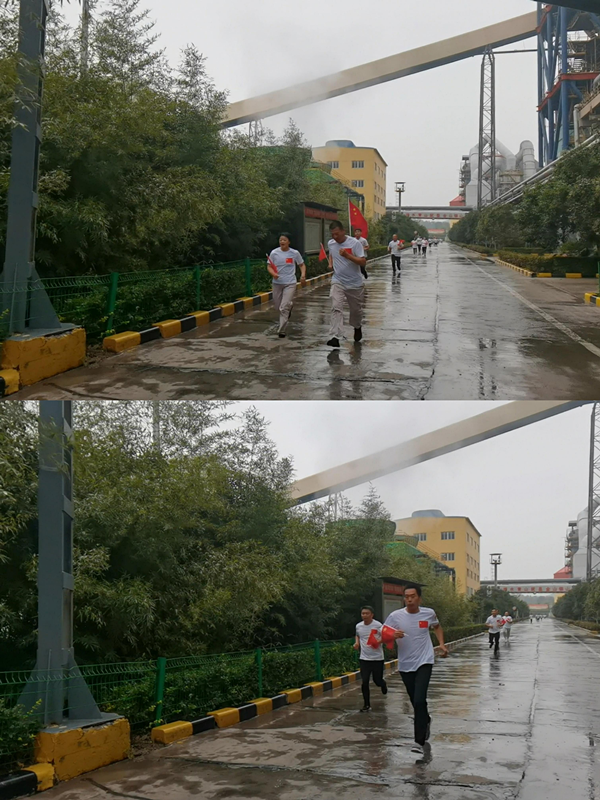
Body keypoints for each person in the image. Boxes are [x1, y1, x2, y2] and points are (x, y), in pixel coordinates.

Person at [384, 583, 448, 757]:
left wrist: (441, 644)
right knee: (415, 700)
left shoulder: (428, 613)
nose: (409, 599)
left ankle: (418, 742)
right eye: (406, 597)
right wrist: (392, 635)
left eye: (412, 596)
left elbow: (437, 626)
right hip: (406, 664)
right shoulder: (395, 616)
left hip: (425, 661)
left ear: (419, 598)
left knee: (419, 700)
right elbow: (382, 633)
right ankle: (425, 720)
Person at [326, 221, 366, 348]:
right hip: (338, 281)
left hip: (354, 283)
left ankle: (357, 326)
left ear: (343, 231)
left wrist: (347, 255)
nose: (335, 237)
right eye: (332, 234)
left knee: (355, 310)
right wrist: (330, 264)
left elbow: (363, 261)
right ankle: (335, 336)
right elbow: (331, 254)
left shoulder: (355, 243)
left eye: (337, 234)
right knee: (336, 307)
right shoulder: (331, 243)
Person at [266, 233, 306, 338]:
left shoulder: (294, 253)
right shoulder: (274, 253)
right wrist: (273, 274)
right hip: (277, 283)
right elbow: (269, 266)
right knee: (278, 307)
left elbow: (302, 265)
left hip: (290, 283)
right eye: (280, 240)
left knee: (283, 308)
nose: (282, 242)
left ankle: (282, 330)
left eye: (284, 240)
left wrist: (303, 275)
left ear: (289, 242)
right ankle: (290, 305)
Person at [354, 605, 387, 712]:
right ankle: (366, 705)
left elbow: (386, 637)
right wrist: (357, 643)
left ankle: (383, 684)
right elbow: (358, 635)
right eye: (363, 613)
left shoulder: (378, 625)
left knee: (377, 680)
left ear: (372, 615)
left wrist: (378, 642)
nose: (364, 615)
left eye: (367, 613)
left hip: (377, 658)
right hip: (364, 658)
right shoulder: (359, 626)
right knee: (365, 681)